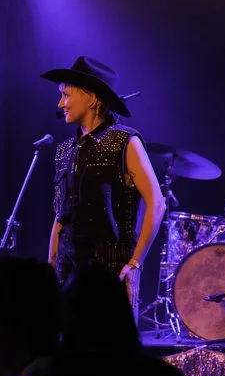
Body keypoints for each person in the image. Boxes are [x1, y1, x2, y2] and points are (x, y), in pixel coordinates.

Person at [41, 56, 165, 317]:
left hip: (110, 275)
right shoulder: (65, 149)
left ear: (92, 98)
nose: (60, 103)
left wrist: (136, 263)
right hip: (69, 274)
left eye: (66, 94)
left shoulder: (125, 141)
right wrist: (51, 264)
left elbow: (157, 203)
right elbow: (60, 215)